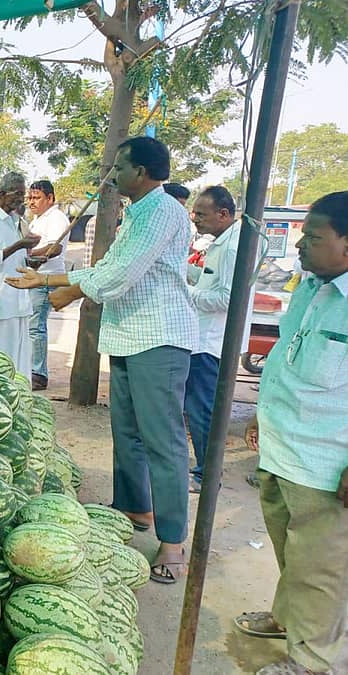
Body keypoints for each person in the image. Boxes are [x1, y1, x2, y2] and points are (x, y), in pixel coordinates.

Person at [6, 137, 198, 584]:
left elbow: (117, 276)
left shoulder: (162, 211)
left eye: (121, 167)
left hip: (159, 339)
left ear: (145, 171)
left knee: (163, 442)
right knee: (127, 431)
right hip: (131, 336)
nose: (112, 176)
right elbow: (110, 269)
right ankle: (133, 506)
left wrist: (53, 280)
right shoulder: (138, 213)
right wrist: (68, 286)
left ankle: (173, 541)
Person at [235, 192, 348, 675]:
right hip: (284, 448)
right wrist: (263, 412)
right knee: (289, 550)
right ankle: (288, 620)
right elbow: (288, 354)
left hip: (327, 464)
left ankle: (312, 662)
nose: (301, 246)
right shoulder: (310, 286)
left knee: (320, 570)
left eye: (315, 238)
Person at [184, 186, 250, 493]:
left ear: (223, 214)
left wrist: (186, 292)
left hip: (211, 342)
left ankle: (206, 474)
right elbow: (211, 281)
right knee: (198, 408)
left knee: (201, 411)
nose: (195, 218)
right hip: (205, 337)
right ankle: (204, 468)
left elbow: (227, 298)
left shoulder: (233, 248)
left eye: (201, 213)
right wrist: (185, 273)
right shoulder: (220, 243)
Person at [0, 172, 41, 373]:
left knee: (18, 362)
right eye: (18, 194)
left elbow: (17, 260)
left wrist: (33, 261)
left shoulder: (18, 222)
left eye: (24, 194)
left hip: (19, 301)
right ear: (3, 194)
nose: (22, 199)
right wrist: (19, 244)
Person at [26, 179, 70, 390]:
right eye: (30, 198)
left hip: (46, 278)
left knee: (36, 327)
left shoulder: (56, 218)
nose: (32, 202)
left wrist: (28, 252)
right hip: (35, 277)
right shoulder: (37, 219)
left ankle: (38, 374)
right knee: (31, 325)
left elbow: (55, 247)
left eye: (37, 198)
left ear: (50, 198)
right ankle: (31, 369)